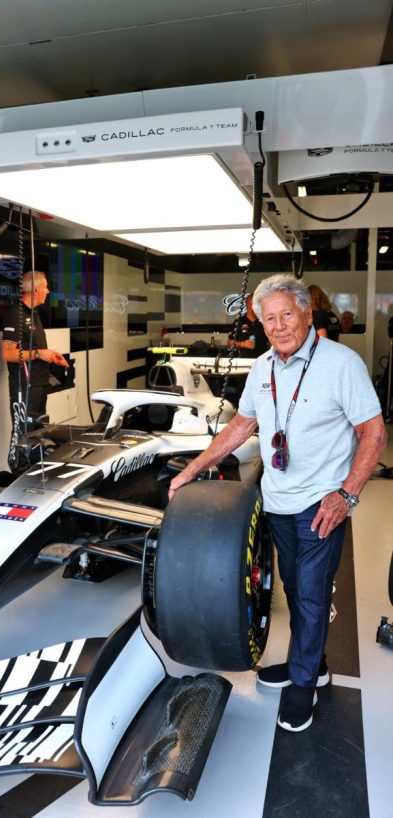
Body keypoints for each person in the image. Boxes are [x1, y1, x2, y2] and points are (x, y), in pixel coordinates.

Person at [169, 274, 386, 733]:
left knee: (310, 593)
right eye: (269, 318)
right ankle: (313, 662)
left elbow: (373, 433)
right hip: (278, 502)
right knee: (293, 585)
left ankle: (304, 683)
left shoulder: (341, 364)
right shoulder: (262, 367)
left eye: (287, 314)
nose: (279, 325)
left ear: (307, 313)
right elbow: (241, 426)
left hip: (322, 504)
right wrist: (194, 467)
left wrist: (347, 494)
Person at [2, 270, 68, 421]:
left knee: (39, 431)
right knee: (23, 432)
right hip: (25, 389)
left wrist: (50, 356)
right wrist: (39, 354)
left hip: (39, 386)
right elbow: (8, 354)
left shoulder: (34, 313)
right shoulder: (16, 315)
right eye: (46, 287)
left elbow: (33, 347)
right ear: (36, 289)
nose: (48, 291)